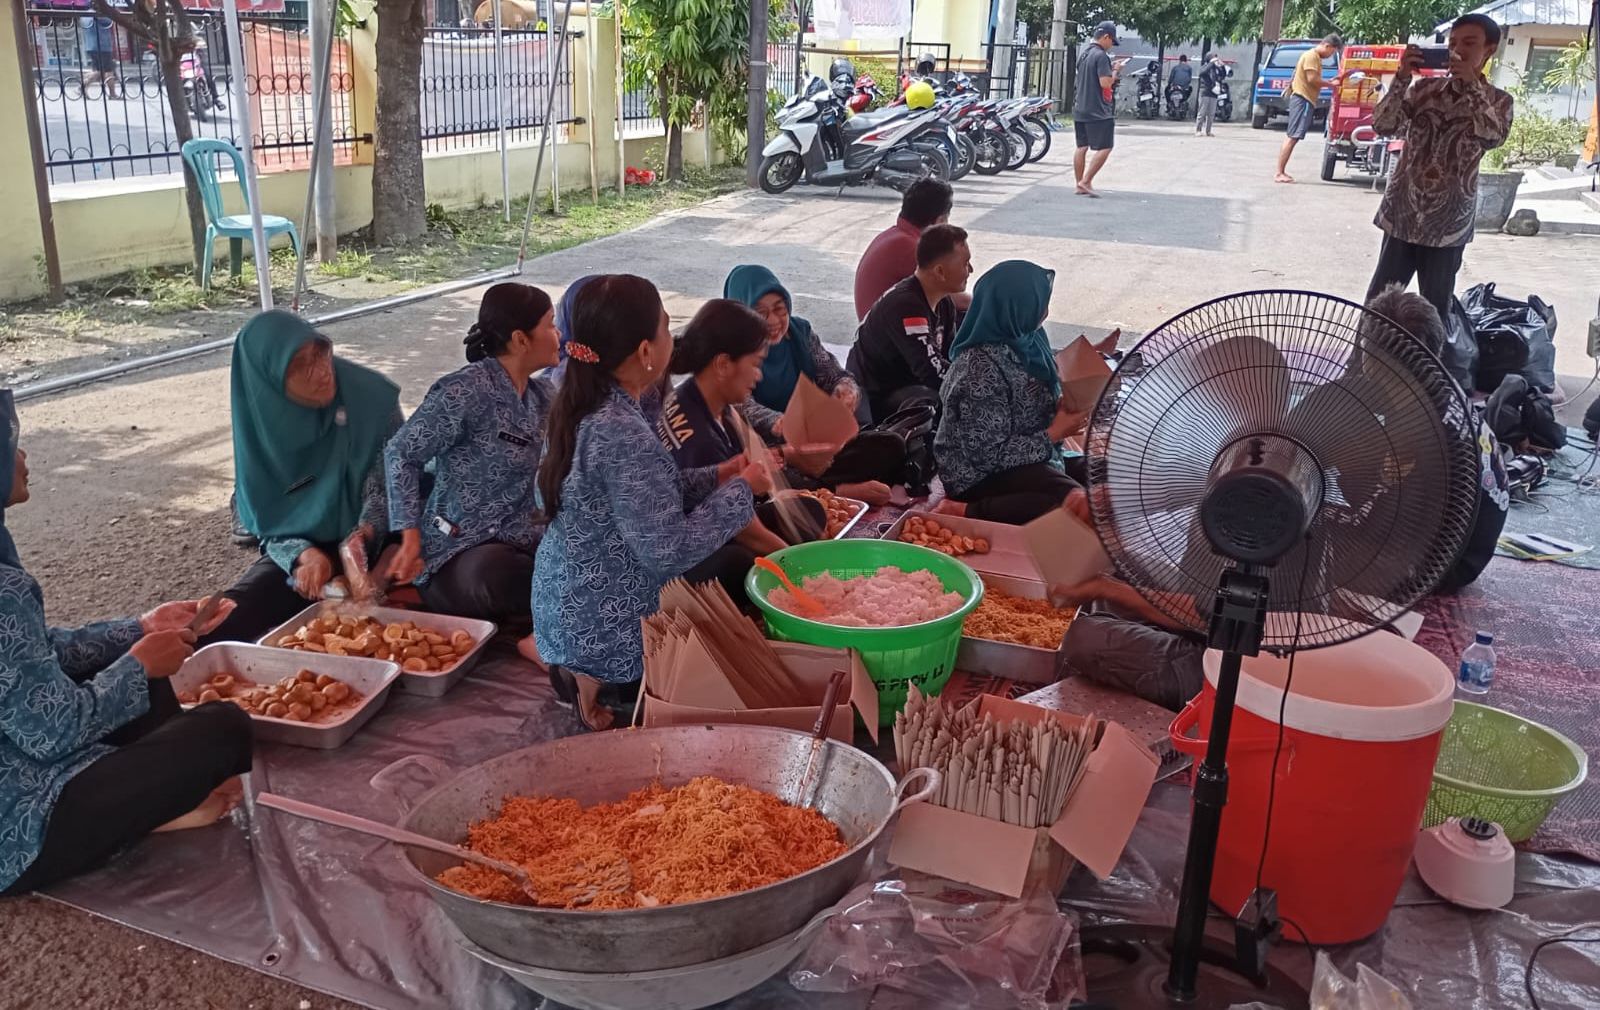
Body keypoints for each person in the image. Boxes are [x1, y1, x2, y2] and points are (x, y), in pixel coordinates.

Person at [1054, 286, 1509, 709]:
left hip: (1414, 565)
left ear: (1370, 356)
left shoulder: (1412, 451)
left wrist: (1106, 587)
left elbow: (1209, 613)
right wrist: (1121, 498)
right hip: (1354, 564)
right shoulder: (1378, 410)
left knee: (1086, 637)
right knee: (1136, 580)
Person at [0, 390, 253, 896]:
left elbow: (35, 655)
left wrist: (140, 627)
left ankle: (151, 805)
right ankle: (142, 818)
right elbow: (53, 731)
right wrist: (137, 665)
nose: (24, 458)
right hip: (16, 831)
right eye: (10, 444)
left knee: (154, 690)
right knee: (222, 727)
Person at [533, 275, 768, 732]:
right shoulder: (621, 430)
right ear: (645, 352)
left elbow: (641, 496)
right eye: (665, 327)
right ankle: (595, 677)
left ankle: (581, 678)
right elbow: (666, 551)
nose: (671, 339)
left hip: (564, 606)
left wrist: (720, 474)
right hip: (603, 625)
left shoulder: (586, 403)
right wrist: (744, 489)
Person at [202, 311, 403, 647]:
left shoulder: (370, 397)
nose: (322, 371)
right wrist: (301, 555)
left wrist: (364, 537)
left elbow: (392, 482)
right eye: (299, 365)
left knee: (446, 590)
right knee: (235, 612)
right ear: (268, 380)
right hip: (309, 543)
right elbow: (268, 516)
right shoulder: (261, 426)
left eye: (320, 353)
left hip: (380, 537)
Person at [385, 283, 558, 643]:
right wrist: (410, 538)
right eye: (551, 325)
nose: (558, 336)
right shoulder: (463, 391)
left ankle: (530, 635)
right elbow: (401, 453)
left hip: (523, 542)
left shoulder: (545, 397)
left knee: (576, 565)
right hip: (459, 553)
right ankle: (534, 636)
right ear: (520, 339)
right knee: (493, 575)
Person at [656, 300, 829, 599]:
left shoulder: (702, 400)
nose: (759, 375)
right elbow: (744, 529)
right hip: (686, 553)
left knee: (809, 513)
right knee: (741, 564)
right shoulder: (699, 438)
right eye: (756, 364)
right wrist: (801, 569)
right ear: (723, 365)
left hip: (719, 523)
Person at [1363, 14, 1513, 328]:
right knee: (1379, 306)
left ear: (1489, 50)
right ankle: (1361, 373)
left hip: (1448, 225)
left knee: (1433, 315)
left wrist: (1472, 86)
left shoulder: (1499, 102)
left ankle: (1426, 377)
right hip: (1403, 214)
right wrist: (1402, 76)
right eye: (1452, 44)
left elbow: (1492, 137)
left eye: (1469, 44)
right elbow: (1383, 125)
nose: (1458, 51)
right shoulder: (1423, 90)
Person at [933, 261, 1089, 525]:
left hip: (1034, 451)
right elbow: (987, 457)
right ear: (1015, 308)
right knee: (1069, 502)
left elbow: (1038, 394)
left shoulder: (1029, 338)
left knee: (1109, 477)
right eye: (1039, 303)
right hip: (977, 473)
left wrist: (1064, 405)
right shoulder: (979, 369)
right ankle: (967, 510)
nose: (1045, 311)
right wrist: (1055, 432)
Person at [851, 224, 972, 422]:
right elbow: (932, 372)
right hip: (876, 394)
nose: (970, 270)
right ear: (940, 272)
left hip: (908, 382)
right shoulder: (905, 305)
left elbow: (952, 357)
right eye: (965, 264)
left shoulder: (944, 303)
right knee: (942, 403)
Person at [853, 179, 953, 320]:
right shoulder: (910, 247)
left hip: (877, 328)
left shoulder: (895, 236)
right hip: (884, 336)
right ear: (940, 221)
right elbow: (953, 299)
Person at [1276, 35, 1347, 183]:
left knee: (1292, 136)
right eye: (1332, 52)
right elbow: (1312, 79)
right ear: (1328, 46)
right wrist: (1331, 84)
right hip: (1303, 99)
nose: (1330, 56)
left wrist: (1329, 82)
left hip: (1303, 100)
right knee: (1292, 137)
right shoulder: (1312, 56)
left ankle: (1280, 171)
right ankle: (1279, 173)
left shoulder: (1313, 57)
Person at [1072, 21, 1126, 197]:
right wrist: (1116, 71)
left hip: (1080, 107)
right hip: (1097, 109)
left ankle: (1079, 183)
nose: (1111, 46)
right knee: (1106, 146)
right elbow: (1105, 83)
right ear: (1106, 37)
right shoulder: (1101, 56)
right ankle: (1086, 180)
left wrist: (1109, 70)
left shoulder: (1084, 53)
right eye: (1111, 41)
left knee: (1082, 146)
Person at [1196, 54, 1226, 136]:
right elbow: (1202, 73)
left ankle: (1208, 131)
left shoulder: (1216, 69)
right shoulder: (1205, 67)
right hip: (1205, 92)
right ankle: (1198, 130)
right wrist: (1211, 63)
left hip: (1214, 93)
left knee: (1211, 113)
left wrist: (1222, 66)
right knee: (1202, 112)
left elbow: (1223, 75)